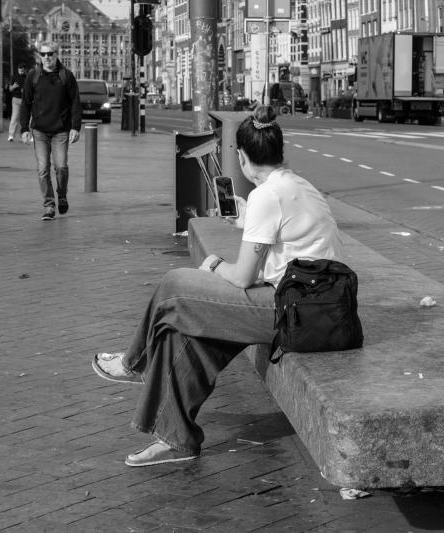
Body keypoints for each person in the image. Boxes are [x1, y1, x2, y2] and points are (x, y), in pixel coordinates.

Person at [91, 105, 344, 467]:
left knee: (175, 285)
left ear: (242, 158)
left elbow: (242, 277)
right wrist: (246, 220)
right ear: (279, 151)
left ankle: (135, 363)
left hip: (295, 312)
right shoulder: (298, 186)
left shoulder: (266, 196)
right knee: (186, 327)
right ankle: (177, 439)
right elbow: (286, 244)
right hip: (318, 307)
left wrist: (213, 264)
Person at [20, 41, 82, 220]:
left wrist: (75, 127)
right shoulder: (33, 76)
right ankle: (49, 205)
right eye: (43, 54)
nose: (46, 57)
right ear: (39, 56)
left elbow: (75, 103)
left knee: (61, 167)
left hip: (60, 130)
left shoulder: (66, 76)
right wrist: (24, 129)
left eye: (50, 54)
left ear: (56, 54)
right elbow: (25, 103)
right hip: (39, 131)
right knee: (43, 169)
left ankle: (61, 195)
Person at [6, 63, 27, 142]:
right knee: (14, 117)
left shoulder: (27, 77)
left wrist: (26, 91)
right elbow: (10, 89)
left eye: (22, 70)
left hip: (25, 100)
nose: (21, 72)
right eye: (19, 70)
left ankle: (23, 136)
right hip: (15, 100)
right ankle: (11, 135)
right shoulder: (14, 77)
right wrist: (14, 86)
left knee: (23, 119)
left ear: (25, 70)